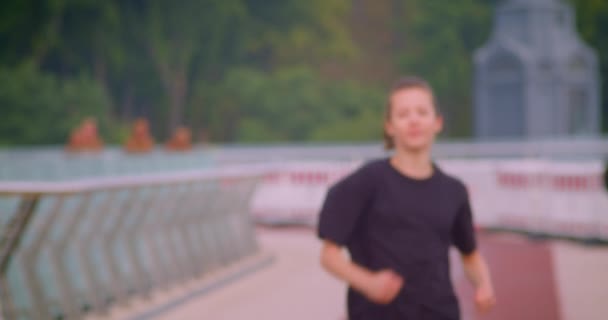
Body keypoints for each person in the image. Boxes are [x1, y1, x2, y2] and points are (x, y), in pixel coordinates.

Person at [317, 77, 496, 319]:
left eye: (422, 112)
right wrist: (368, 283)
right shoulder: (366, 182)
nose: (414, 120)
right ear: (390, 126)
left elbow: (470, 255)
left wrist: (484, 285)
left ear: (438, 122)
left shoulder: (454, 191)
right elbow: (329, 255)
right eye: (403, 114)